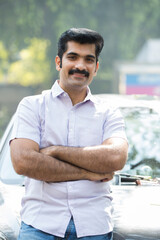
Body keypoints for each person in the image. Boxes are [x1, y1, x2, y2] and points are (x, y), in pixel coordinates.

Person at [10, 28, 128, 240]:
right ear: (59, 62)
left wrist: (55, 151)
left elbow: (115, 157)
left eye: (89, 59)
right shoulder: (32, 106)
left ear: (96, 67)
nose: (80, 66)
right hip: (40, 226)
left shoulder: (109, 112)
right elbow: (23, 162)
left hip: (94, 228)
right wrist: (88, 173)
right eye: (72, 57)